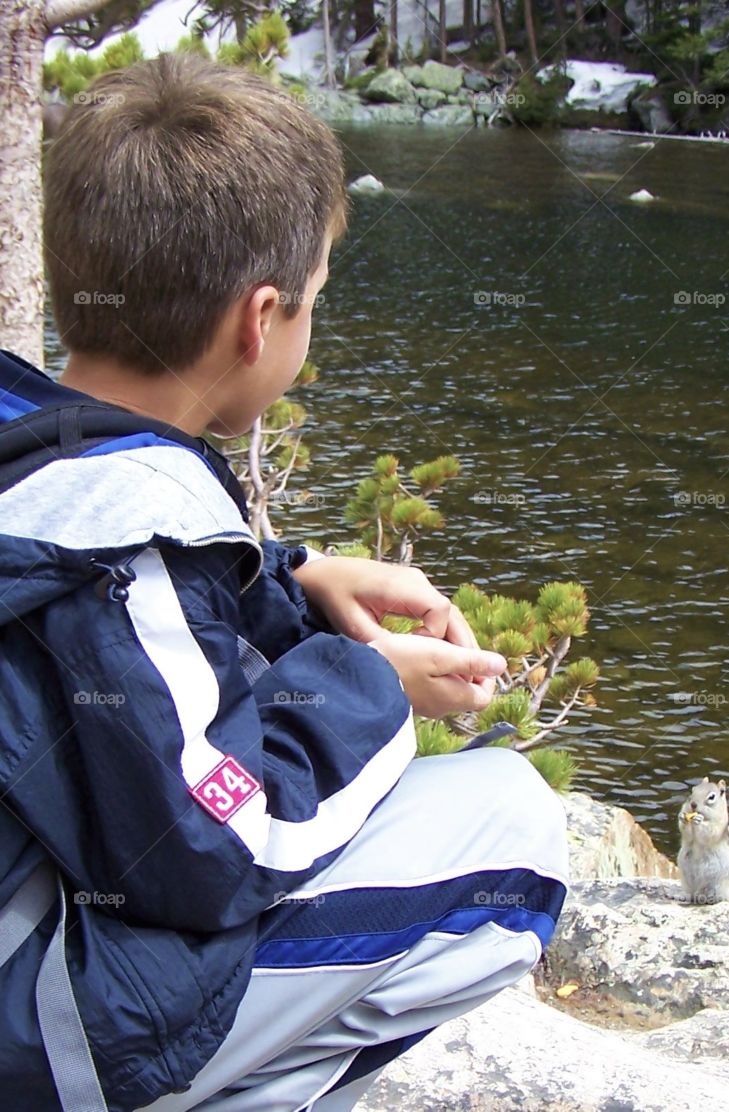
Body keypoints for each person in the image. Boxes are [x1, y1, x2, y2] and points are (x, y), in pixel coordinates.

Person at [0, 52, 568, 1111]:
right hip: (35, 1018)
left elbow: (118, 611)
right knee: (513, 829)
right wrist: (372, 683)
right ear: (260, 320)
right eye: (310, 304)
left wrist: (293, 579)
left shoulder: (27, 433)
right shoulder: (128, 550)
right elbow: (224, 842)